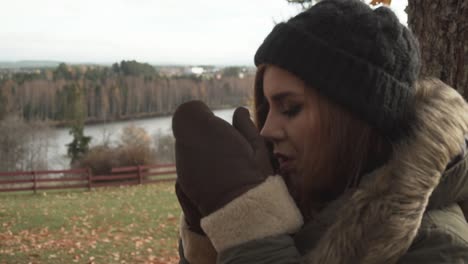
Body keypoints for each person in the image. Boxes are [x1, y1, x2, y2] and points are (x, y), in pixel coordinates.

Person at [172, 0, 468, 263]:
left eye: (290, 108)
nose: (266, 130)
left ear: (356, 115)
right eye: (267, 108)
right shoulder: (302, 204)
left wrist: (248, 226)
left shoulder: (439, 245)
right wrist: (207, 231)